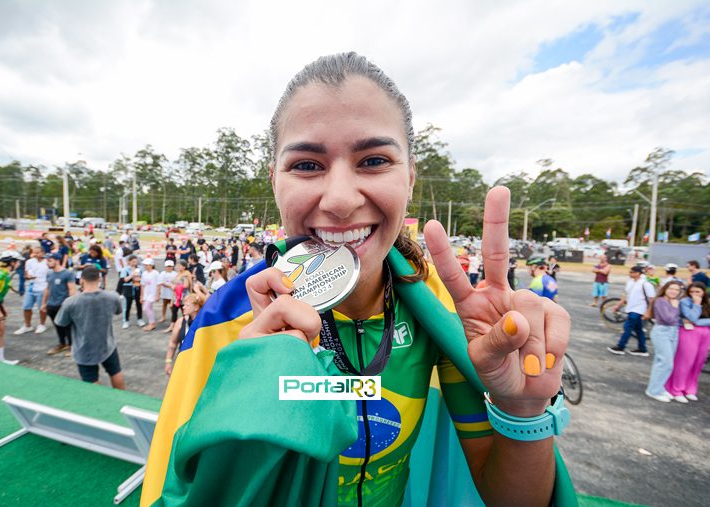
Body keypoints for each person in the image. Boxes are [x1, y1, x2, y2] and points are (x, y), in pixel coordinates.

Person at [142, 53, 573, 507]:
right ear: (275, 182)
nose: (342, 200)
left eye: (373, 160)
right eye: (307, 165)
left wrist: (522, 410)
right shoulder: (226, 323)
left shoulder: (442, 307)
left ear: (410, 178)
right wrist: (257, 389)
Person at [55, 265, 125, 388]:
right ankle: (122, 401)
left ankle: (100, 404)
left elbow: (61, 322)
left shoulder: (71, 302)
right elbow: (118, 311)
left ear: (81, 280)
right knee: (115, 373)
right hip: (107, 344)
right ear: (100, 278)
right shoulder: (112, 296)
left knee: (92, 382)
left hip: (84, 349)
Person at [664, 282, 710, 402]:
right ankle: (676, 389)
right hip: (688, 333)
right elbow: (692, 318)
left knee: (698, 362)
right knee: (684, 362)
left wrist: (698, 322)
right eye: (692, 292)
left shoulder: (708, 302)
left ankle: (690, 389)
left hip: (705, 334)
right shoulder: (685, 302)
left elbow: (695, 321)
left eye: (697, 292)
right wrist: (696, 304)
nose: (694, 294)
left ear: (703, 292)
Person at [644, 280, 683, 402]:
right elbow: (668, 318)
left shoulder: (671, 301)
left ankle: (658, 387)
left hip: (673, 332)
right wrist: (675, 307)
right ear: (665, 289)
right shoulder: (660, 301)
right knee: (666, 363)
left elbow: (675, 320)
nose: (674, 291)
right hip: (662, 332)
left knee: (661, 362)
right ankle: (653, 391)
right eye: (671, 288)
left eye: (677, 290)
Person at [608, 265, 655, 356]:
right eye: (630, 272)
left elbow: (652, 299)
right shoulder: (630, 282)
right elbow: (626, 295)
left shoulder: (645, 284)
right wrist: (618, 305)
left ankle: (620, 347)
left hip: (639, 310)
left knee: (627, 328)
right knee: (639, 330)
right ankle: (642, 349)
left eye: (632, 272)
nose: (630, 273)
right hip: (631, 309)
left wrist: (648, 311)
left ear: (639, 273)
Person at [42, 253, 76, 355]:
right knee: (57, 325)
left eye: (50, 260)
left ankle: (72, 345)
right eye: (47, 261)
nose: (47, 263)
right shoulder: (49, 273)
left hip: (63, 304)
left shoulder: (67, 273)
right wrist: (44, 303)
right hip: (51, 305)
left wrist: (71, 304)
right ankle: (62, 344)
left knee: (67, 326)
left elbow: (71, 289)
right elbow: (47, 289)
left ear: (57, 261)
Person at [163, 293, 206, 376]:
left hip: (199, 364)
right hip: (183, 360)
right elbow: (173, 343)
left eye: (187, 305)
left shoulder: (204, 324)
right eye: (184, 305)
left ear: (196, 307)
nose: (183, 307)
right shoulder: (180, 322)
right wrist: (168, 362)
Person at [13, 246, 49, 335]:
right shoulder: (29, 261)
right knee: (26, 306)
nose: (35, 254)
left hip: (43, 287)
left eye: (38, 252)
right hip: (31, 286)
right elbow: (26, 274)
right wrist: (28, 277)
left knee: (42, 308)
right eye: (34, 252)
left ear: (43, 253)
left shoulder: (47, 262)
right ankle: (27, 325)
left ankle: (42, 324)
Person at [120, 255, 143, 329]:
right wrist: (132, 275)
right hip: (128, 288)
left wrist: (138, 279)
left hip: (137, 288)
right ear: (128, 262)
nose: (134, 263)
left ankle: (140, 319)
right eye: (133, 262)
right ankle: (125, 321)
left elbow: (142, 278)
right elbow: (124, 280)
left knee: (139, 304)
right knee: (127, 306)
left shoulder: (140, 269)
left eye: (136, 262)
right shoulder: (125, 270)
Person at [140, 258, 160, 331]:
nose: (145, 266)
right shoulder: (144, 273)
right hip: (146, 293)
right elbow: (142, 285)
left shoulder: (156, 273)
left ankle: (152, 323)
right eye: (144, 265)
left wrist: (157, 295)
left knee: (146, 308)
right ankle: (151, 323)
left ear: (151, 265)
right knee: (149, 308)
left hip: (153, 293)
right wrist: (141, 296)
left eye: (147, 265)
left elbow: (159, 284)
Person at [158, 260, 177, 324]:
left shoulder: (175, 274)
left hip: (172, 292)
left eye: (170, 266)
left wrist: (172, 286)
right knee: (164, 304)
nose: (169, 268)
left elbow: (176, 282)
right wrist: (170, 285)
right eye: (167, 266)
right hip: (165, 292)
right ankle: (163, 316)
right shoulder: (162, 273)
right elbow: (161, 282)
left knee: (172, 305)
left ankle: (173, 318)